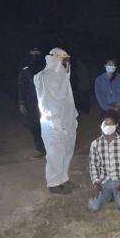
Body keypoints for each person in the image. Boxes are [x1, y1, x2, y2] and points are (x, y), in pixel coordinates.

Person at [33, 47, 78, 194]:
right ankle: (54, 183)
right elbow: (47, 102)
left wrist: (73, 117)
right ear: (55, 59)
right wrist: (56, 122)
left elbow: (68, 100)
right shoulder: (45, 77)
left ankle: (63, 178)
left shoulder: (63, 76)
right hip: (54, 124)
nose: (66, 63)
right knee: (55, 153)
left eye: (67, 60)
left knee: (67, 151)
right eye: (63, 60)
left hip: (68, 121)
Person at [88, 110, 120, 212]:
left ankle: (114, 194)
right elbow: (93, 165)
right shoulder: (95, 144)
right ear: (101, 125)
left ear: (117, 125)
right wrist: (96, 183)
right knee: (92, 207)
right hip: (103, 182)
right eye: (106, 124)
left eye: (111, 124)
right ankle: (109, 195)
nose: (108, 126)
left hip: (119, 181)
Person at [18, 47, 46, 158]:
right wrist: (21, 102)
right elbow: (21, 86)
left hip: (46, 102)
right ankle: (41, 149)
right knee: (35, 126)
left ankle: (49, 148)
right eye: (33, 53)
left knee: (48, 125)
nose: (35, 55)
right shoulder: (26, 70)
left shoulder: (45, 67)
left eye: (37, 53)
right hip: (32, 103)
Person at [94, 59, 120, 138]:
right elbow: (99, 96)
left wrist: (119, 105)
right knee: (107, 129)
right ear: (105, 66)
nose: (111, 66)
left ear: (115, 67)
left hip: (119, 106)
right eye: (109, 64)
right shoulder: (99, 80)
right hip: (106, 107)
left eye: (113, 65)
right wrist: (108, 107)